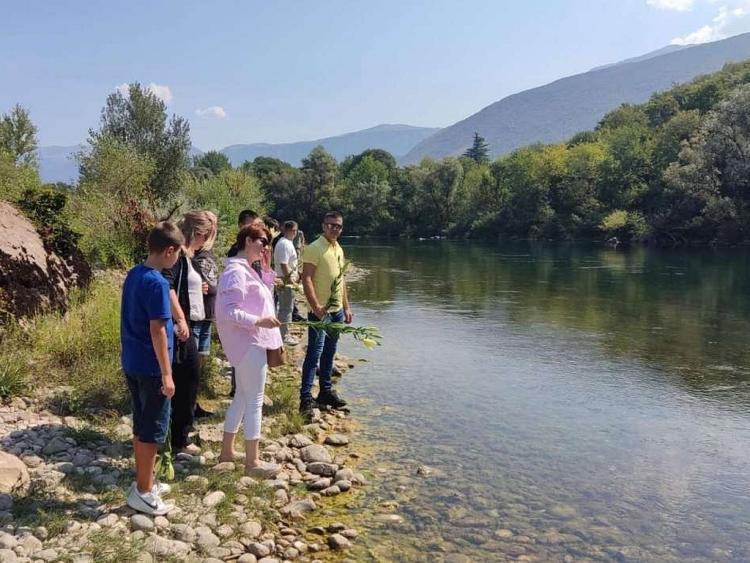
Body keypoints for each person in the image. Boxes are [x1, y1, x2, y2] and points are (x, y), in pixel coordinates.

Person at [121, 221, 184, 515]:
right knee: (152, 430)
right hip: (151, 367)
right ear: (169, 251)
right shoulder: (157, 282)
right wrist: (167, 373)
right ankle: (143, 492)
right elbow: (158, 329)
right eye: (178, 254)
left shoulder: (135, 273)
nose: (178, 260)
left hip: (133, 362)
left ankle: (145, 480)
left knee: (141, 423)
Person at [216, 224, 282, 478]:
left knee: (243, 397)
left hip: (251, 341)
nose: (266, 246)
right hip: (248, 341)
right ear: (247, 241)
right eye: (262, 241)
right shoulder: (235, 271)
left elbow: (265, 295)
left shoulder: (248, 270)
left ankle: (227, 452)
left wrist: (265, 269)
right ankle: (253, 463)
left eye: (267, 242)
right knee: (255, 400)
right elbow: (228, 312)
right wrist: (259, 321)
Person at [162, 210, 214, 452]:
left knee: (188, 380)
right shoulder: (179, 255)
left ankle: (178, 436)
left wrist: (200, 286)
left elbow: (185, 284)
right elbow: (168, 285)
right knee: (186, 381)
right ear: (196, 233)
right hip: (181, 328)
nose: (206, 241)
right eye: (206, 235)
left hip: (189, 324)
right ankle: (177, 440)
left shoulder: (189, 257)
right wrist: (180, 318)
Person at [299, 211, 353, 420]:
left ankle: (325, 392)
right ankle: (305, 398)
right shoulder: (314, 248)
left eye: (338, 226)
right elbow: (307, 279)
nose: (334, 229)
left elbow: (341, 281)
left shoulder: (338, 248)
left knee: (329, 353)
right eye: (331, 225)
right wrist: (315, 306)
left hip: (337, 312)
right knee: (314, 354)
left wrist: (346, 307)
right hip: (320, 312)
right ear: (323, 226)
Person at [227, 209, 265, 398]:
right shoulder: (237, 253)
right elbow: (232, 307)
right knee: (242, 349)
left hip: (256, 313)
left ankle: (243, 389)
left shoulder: (256, 251)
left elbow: (259, 273)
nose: (256, 228)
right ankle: (238, 387)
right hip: (246, 313)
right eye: (252, 225)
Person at [191, 211, 219, 419]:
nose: (208, 235)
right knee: (190, 365)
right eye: (206, 231)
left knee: (199, 364)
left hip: (207, 316)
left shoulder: (207, 252)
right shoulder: (191, 255)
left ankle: (192, 404)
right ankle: (186, 407)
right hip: (195, 317)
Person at [274, 220, 299, 346]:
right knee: (286, 309)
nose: (295, 233)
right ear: (288, 230)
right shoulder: (284, 244)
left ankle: (282, 333)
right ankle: (283, 336)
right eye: (293, 230)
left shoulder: (287, 243)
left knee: (287, 307)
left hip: (286, 279)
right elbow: (284, 264)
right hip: (285, 280)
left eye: (295, 231)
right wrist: (291, 280)